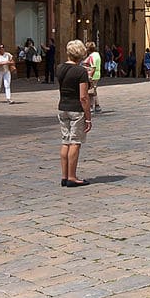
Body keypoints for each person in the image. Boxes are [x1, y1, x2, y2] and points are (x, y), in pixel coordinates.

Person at [56, 39, 92, 187]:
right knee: (75, 142)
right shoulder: (80, 71)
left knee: (65, 141)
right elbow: (83, 97)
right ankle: (72, 177)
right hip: (76, 109)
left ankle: (64, 176)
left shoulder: (59, 68)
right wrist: (88, 118)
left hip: (62, 107)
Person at [82, 42, 102, 113]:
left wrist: (90, 76)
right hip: (97, 74)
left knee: (90, 92)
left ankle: (91, 106)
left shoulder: (91, 56)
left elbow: (93, 67)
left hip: (92, 75)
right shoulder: (97, 54)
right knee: (93, 90)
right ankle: (97, 106)